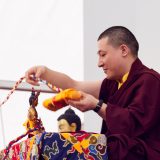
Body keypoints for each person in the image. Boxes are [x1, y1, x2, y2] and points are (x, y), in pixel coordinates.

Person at [25, 26, 160, 160]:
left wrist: (97, 106)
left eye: (103, 55)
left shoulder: (149, 80)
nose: (99, 63)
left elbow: (134, 125)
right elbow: (74, 85)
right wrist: (45, 72)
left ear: (123, 50)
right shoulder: (112, 83)